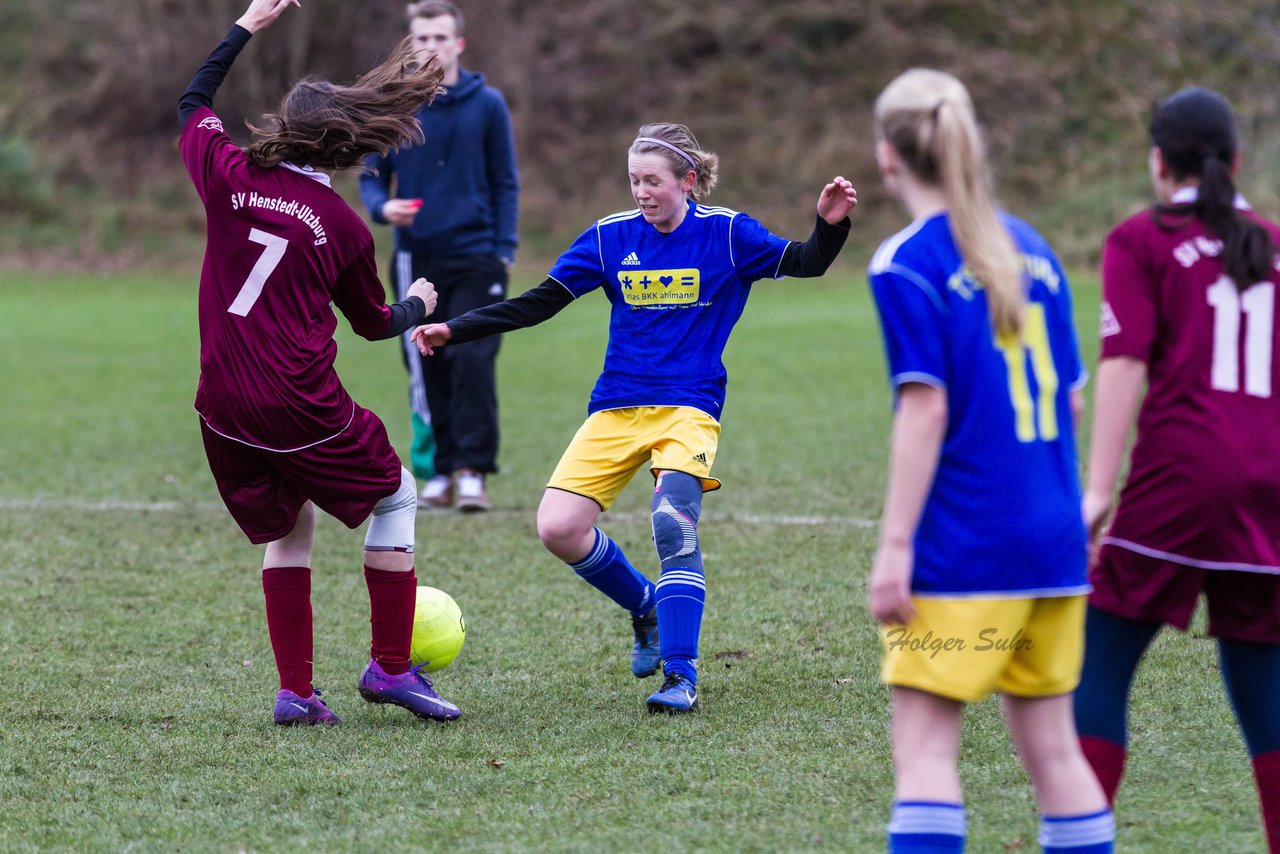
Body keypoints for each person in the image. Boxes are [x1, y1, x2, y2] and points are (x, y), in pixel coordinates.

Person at [412, 123, 856, 713]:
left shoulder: (726, 234)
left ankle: (681, 675)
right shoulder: (608, 238)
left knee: (673, 524)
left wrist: (829, 225)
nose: (641, 192)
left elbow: (805, 263)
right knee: (558, 528)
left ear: (687, 181)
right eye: (633, 181)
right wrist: (455, 328)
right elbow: (540, 301)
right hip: (616, 406)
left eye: (653, 181)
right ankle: (644, 605)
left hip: (689, 406)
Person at [178, 0, 461, 726]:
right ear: (346, 147)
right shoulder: (339, 225)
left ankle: (296, 693)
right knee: (397, 495)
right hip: (295, 405)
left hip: (222, 404)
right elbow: (372, 325)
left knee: (289, 529)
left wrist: (246, 24)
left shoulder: (225, 169)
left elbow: (193, 100)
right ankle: (391, 669)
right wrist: (419, 305)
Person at [865, 69, 1114, 853]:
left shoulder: (906, 261)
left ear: (887, 158)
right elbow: (1070, 402)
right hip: (1052, 545)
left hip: (965, 552)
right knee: (1056, 755)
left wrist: (897, 545)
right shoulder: (1034, 250)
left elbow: (925, 406)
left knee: (928, 754)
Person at [1074, 87, 1280, 853]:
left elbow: (1123, 362)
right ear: (1234, 161)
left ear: (1159, 164)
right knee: (1264, 683)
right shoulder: (1274, 240)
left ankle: (1079, 838)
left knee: (1097, 660)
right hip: (1270, 490)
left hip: (1180, 483)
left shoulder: (1144, 238)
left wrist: (1098, 493)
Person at [359, 0, 520, 513]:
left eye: (440, 37)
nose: (431, 46)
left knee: (474, 359)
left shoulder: (488, 104)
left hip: (478, 256)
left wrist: (504, 248)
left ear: (458, 43)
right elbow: (370, 176)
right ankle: (439, 473)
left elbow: (505, 183)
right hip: (415, 259)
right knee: (426, 364)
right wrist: (384, 209)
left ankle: (472, 473)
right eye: (421, 38)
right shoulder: (393, 105)